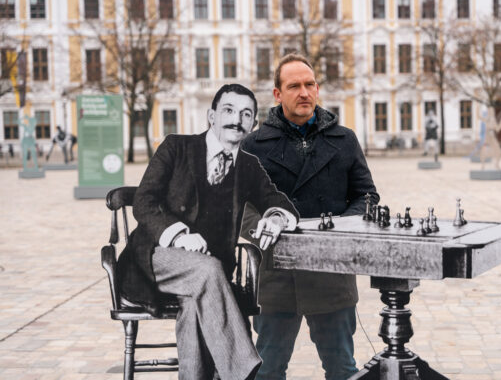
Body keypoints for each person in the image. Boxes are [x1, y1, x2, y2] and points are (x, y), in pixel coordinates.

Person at [117, 84, 299, 380]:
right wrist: (178, 235)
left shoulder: (249, 166)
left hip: (207, 278)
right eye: (228, 110)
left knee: (196, 300)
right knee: (208, 272)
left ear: (252, 124)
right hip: (153, 261)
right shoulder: (177, 147)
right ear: (211, 116)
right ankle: (243, 372)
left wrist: (275, 218)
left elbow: (278, 201)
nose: (236, 119)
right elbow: (144, 201)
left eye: (246, 114)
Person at [241, 54, 379, 380]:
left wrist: (340, 229)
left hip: (331, 271)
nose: (303, 92)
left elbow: (367, 196)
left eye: (309, 84)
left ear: (317, 89)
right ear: (278, 94)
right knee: (268, 369)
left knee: (343, 369)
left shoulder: (344, 140)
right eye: (294, 86)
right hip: (276, 274)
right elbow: (240, 206)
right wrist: (262, 229)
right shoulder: (253, 145)